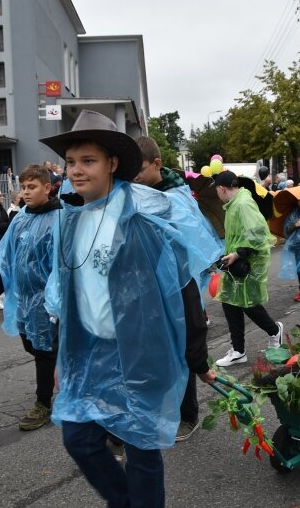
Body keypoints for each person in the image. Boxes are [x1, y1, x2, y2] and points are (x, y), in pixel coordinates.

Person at [41, 110, 216, 507]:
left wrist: (195, 353)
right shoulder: (68, 220)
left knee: (141, 446)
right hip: (89, 352)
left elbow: (182, 285)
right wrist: (61, 357)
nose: (77, 170)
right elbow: (66, 297)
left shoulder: (144, 214)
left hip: (142, 348)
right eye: (71, 162)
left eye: (88, 161)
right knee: (79, 438)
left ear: (112, 164)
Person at [133, 135, 223, 441]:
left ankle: (189, 414)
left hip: (175, 282)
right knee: (156, 350)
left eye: (140, 169)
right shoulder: (135, 192)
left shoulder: (176, 198)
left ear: (157, 164)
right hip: (146, 286)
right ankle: (162, 408)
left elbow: (190, 245)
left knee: (182, 345)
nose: (135, 175)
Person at [0, 165, 61, 431]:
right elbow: (5, 255)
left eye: (32, 187)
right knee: (32, 345)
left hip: (46, 300)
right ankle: (58, 375)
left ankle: (43, 403)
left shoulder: (59, 219)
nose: (26, 192)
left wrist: (56, 302)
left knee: (44, 350)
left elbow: (61, 265)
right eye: (23, 187)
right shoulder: (20, 217)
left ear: (47, 188)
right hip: (23, 298)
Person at [211, 170, 283, 367]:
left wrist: (237, 254)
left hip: (248, 263)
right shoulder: (234, 204)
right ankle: (238, 350)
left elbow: (259, 234)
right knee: (230, 301)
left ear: (222, 188)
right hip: (238, 261)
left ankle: (274, 330)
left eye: (216, 190)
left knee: (248, 304)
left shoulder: (242, 204)